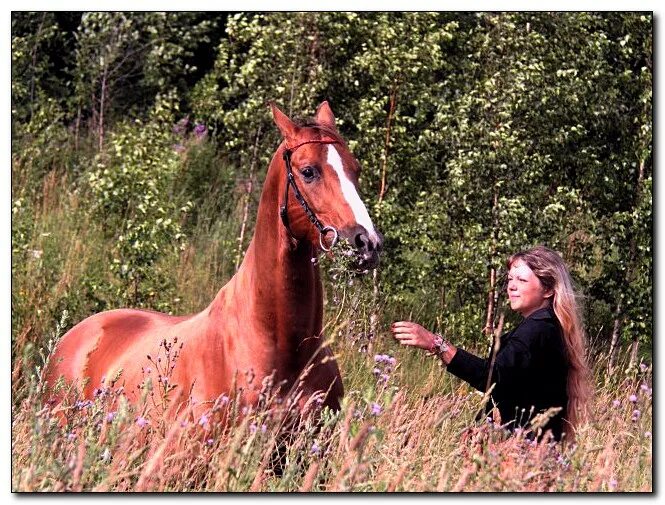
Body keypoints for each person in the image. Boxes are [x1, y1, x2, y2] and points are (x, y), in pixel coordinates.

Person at [391, 246, 592, 442]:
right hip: (530, 450)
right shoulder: (547, 327)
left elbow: (492, 377)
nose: (511, 286)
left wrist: (437, 344)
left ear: (547, 289)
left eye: (522, 280)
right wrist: (484, 428)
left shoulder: (537, 330)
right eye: (510, 279)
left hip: (525, 453)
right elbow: (510, 389)